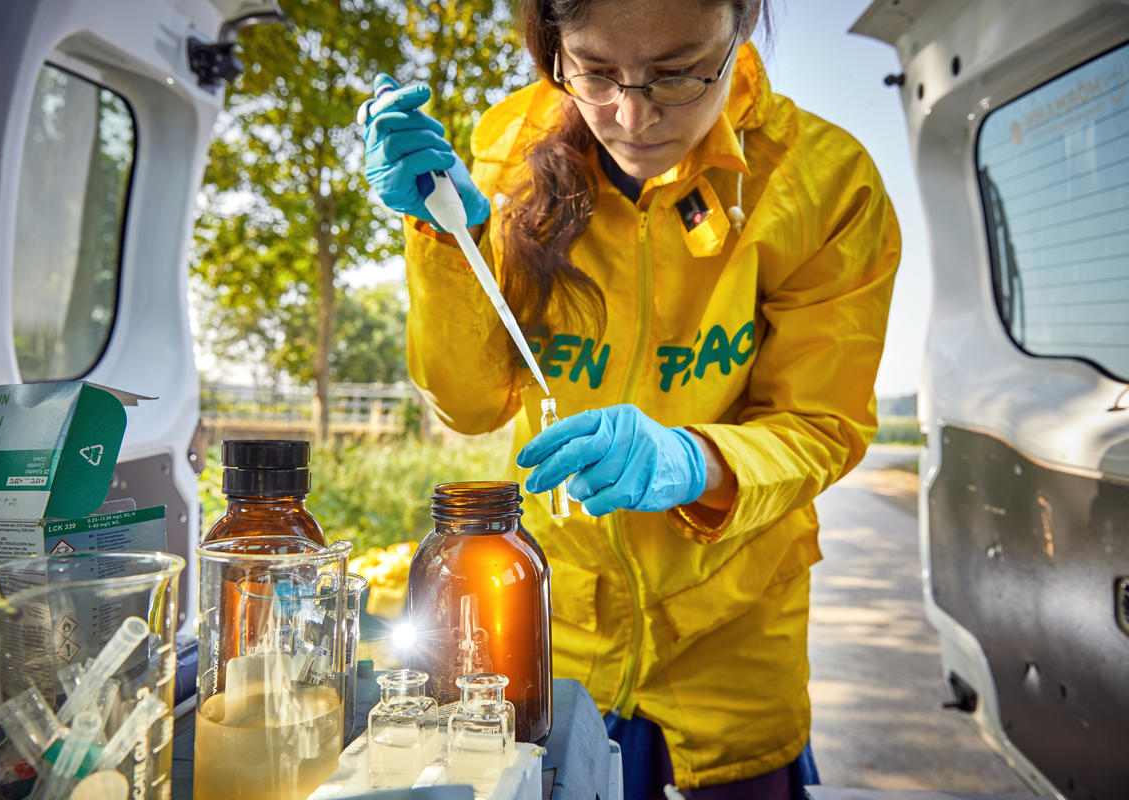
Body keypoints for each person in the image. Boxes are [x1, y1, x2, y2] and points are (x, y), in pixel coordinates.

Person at [360, 0, 900, 797]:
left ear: (741, 26)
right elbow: (470, 405)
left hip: (734, 642)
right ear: (552, 45)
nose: (633, 115)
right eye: (596, 71)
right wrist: (450, 242)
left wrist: (694, 459)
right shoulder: (507, 155)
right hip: (557, 629)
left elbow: (822, 424)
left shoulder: (822, 183)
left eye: (678, 73)